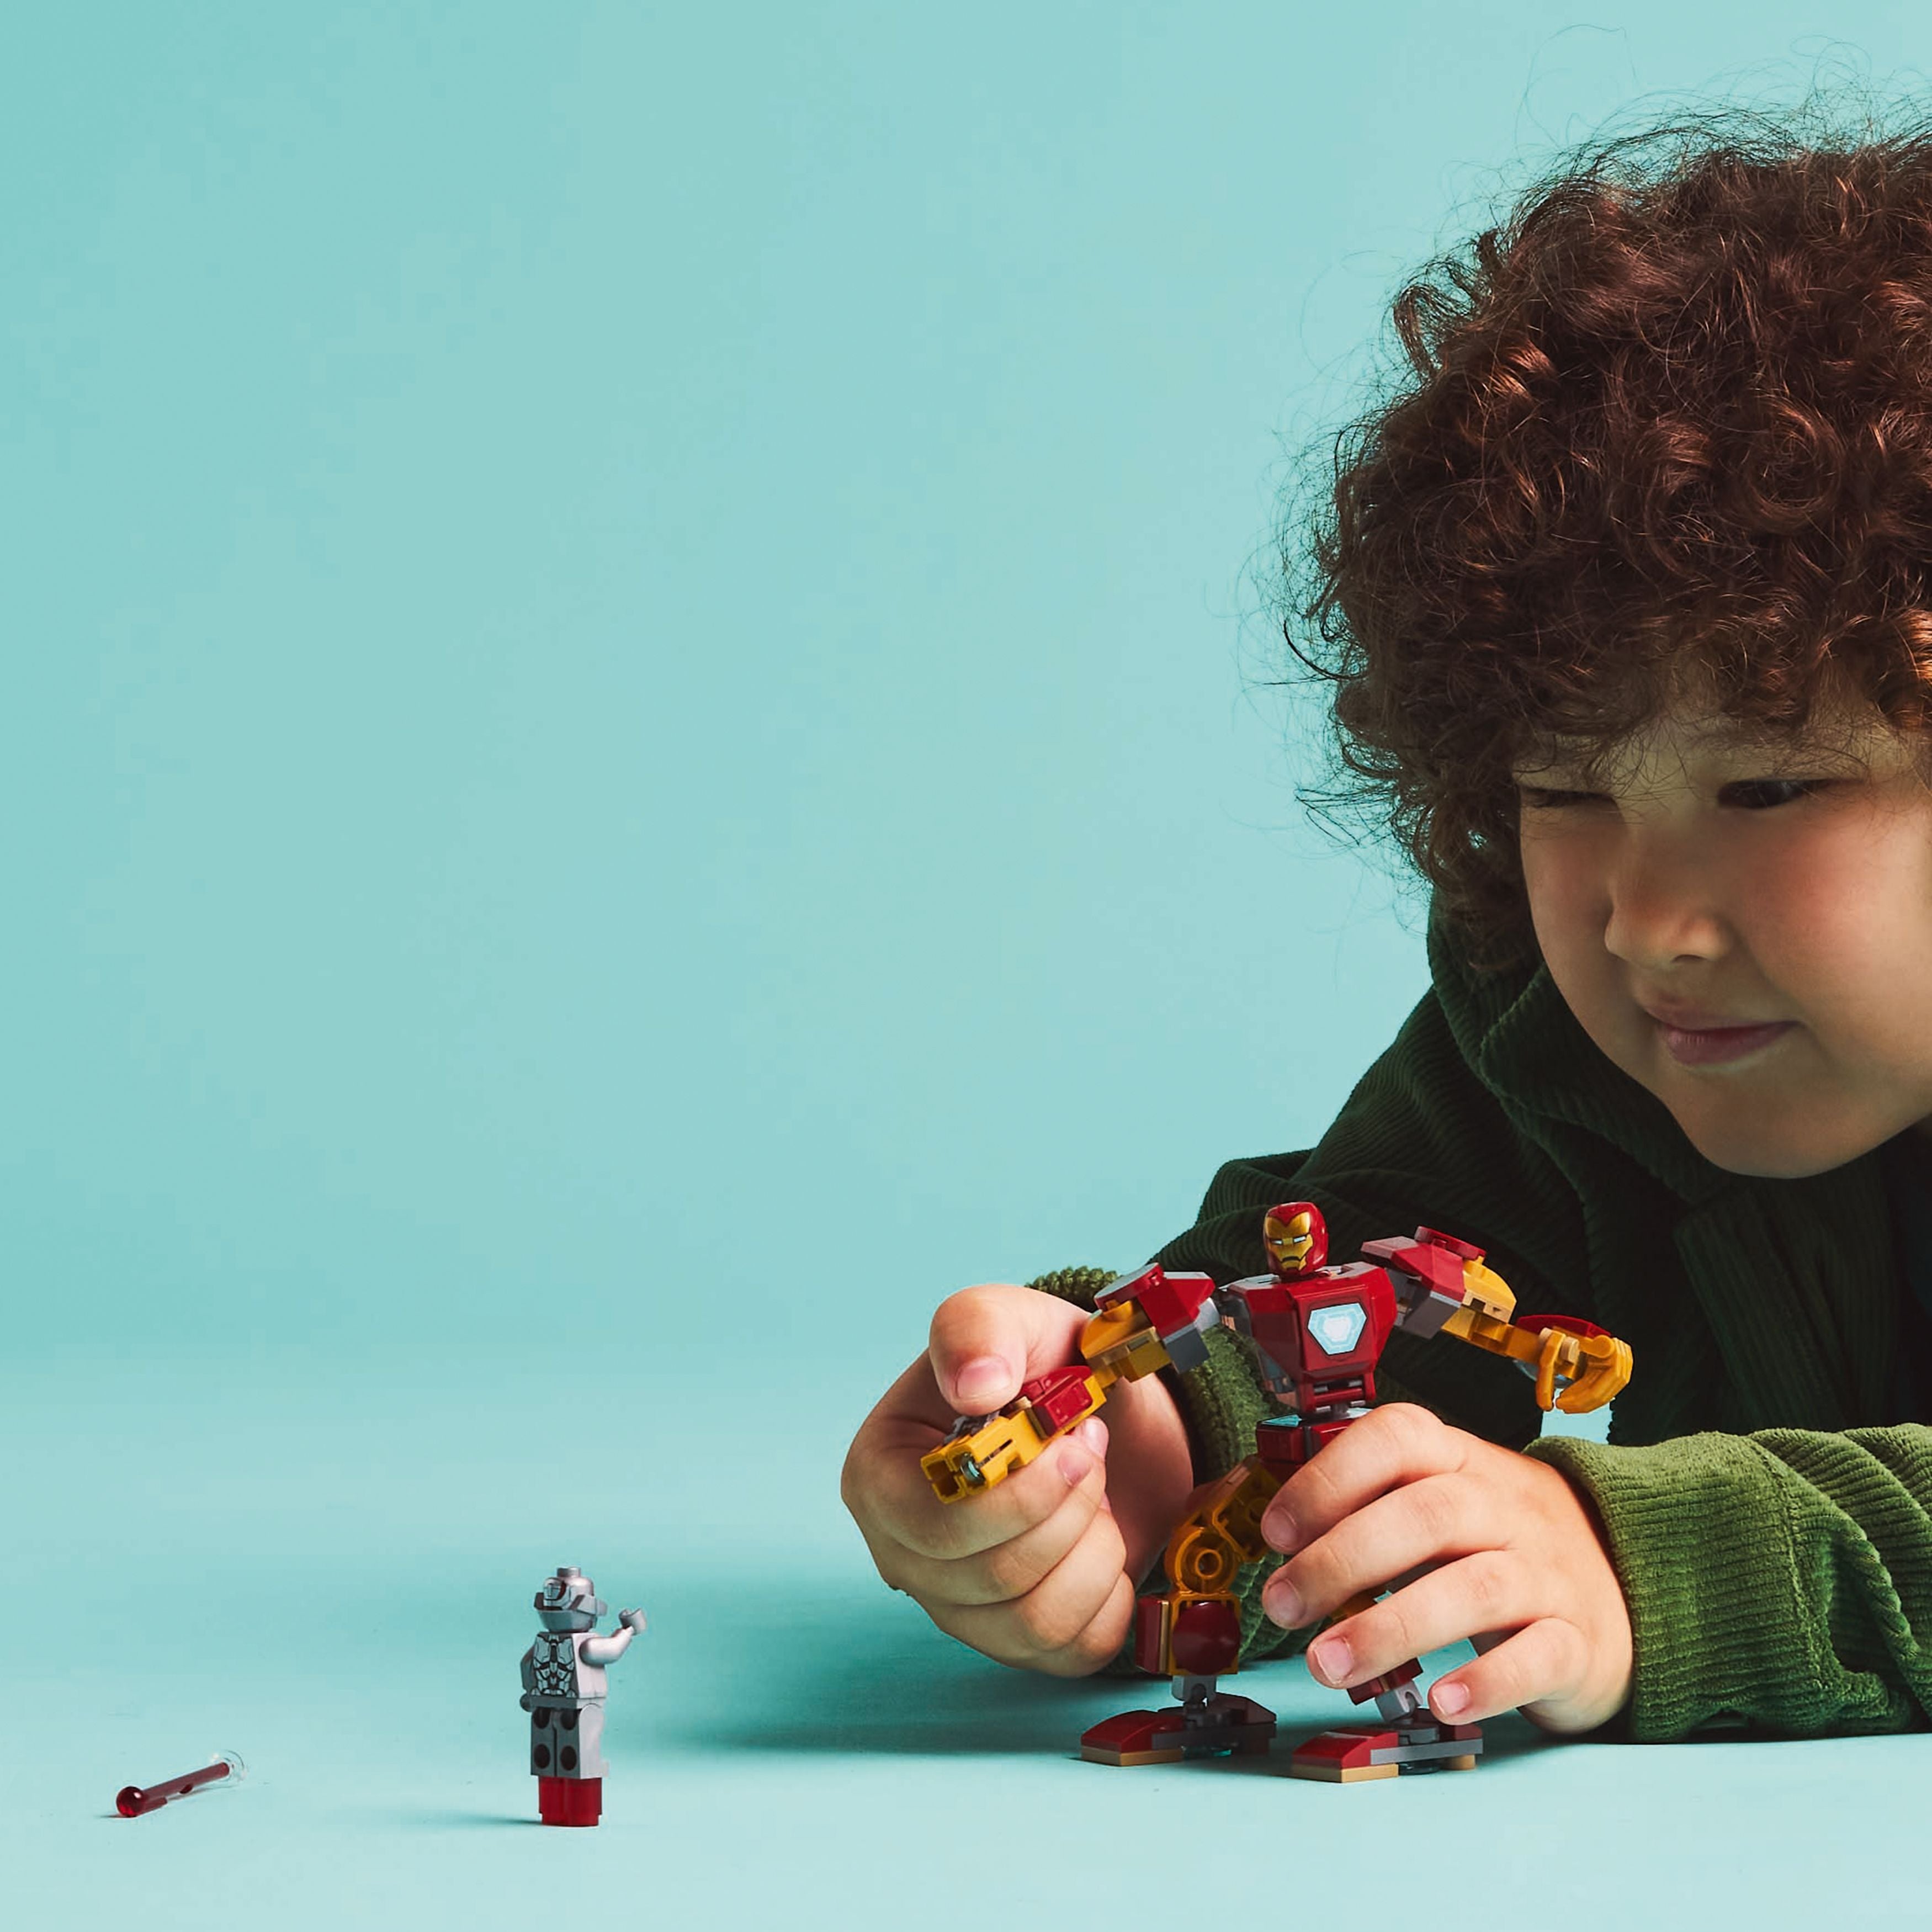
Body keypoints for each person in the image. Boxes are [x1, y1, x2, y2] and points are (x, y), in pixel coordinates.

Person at [840, 104, 1932, 1746]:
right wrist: (1156, 1451)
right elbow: (1375, 1274)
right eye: (1563, 790)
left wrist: (1642, 1570)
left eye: (1769, 786)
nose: (1647, 922)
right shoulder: (1570, 1043)